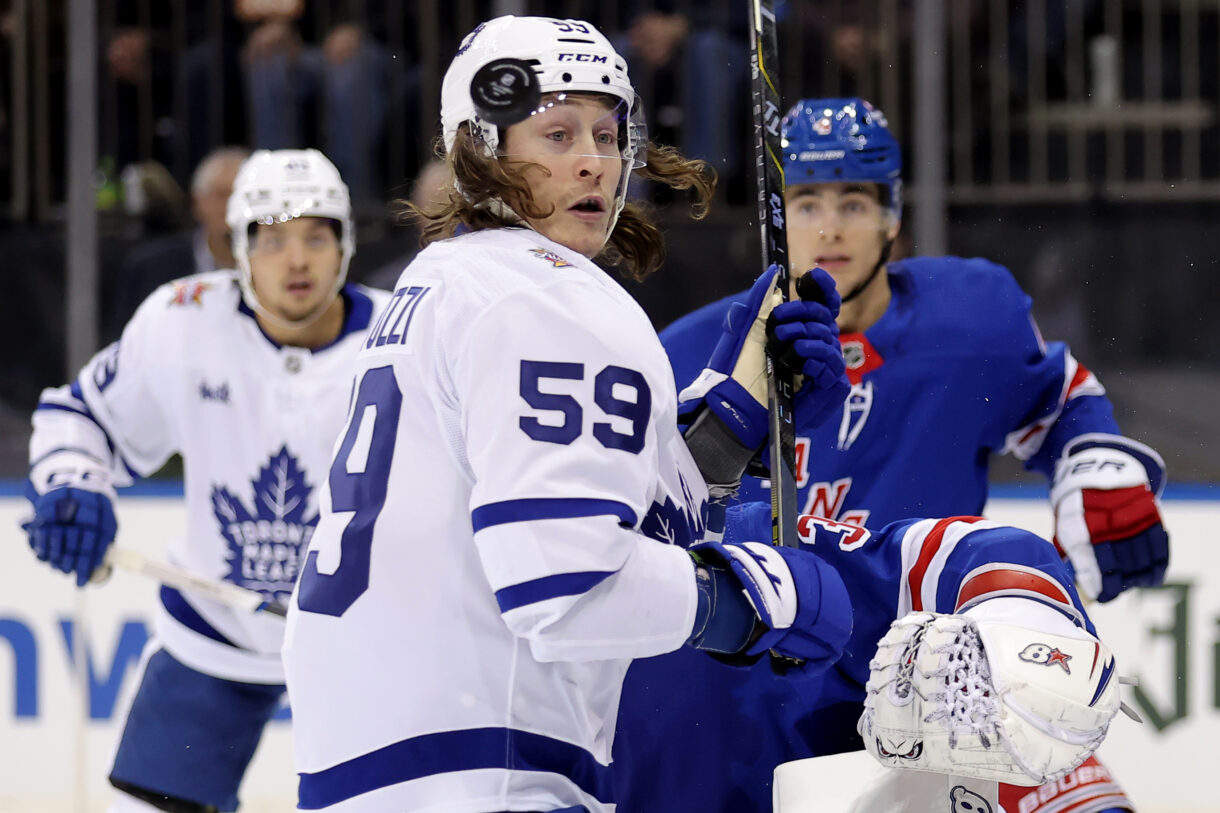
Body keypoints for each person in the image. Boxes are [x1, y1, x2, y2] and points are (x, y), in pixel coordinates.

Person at [280, 15, 855, 813]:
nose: (593, 159)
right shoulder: (547, 295)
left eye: (608, 132)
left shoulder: (446, 284)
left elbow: (556, 513)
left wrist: (727, 425)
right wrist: (762, 599)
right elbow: (568, 584)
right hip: (487, 779)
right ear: (481, 151)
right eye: (555, 133)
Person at [623, 96, 1167, 811]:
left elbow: (1058, 398)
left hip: (944, 685)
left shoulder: (968, 320)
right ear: (776, 219)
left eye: (856, 201)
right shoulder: (694, 355)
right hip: (743, 687)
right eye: (808, 201)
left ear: (893, 215)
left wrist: (1095, 459)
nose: (831, 226)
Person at [22, 148, 390, 813]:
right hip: (213, 632)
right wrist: (73, 484)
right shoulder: (183, 321)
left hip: (365, 645)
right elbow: (82, 417)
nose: (297, 260)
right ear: (238, 249)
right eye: (272, 238)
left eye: (316, 234)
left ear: (346, 243)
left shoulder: (405, 340)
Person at [111, 146, 251, 334]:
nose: (234, 206)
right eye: (222, 194)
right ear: (198, 202)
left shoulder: (278, 267)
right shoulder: (150, 269)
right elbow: (126, 347)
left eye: (244, 195)